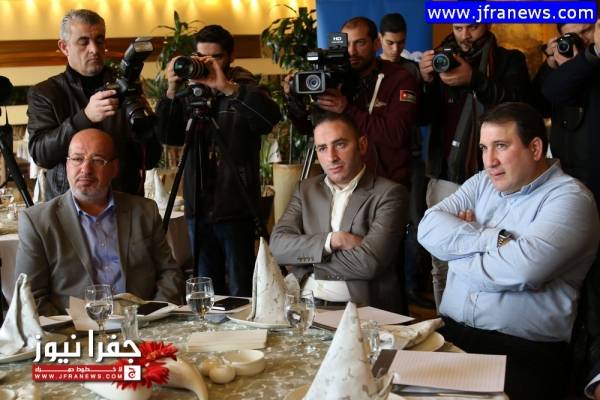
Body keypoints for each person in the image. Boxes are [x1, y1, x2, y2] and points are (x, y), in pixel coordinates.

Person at [417, 102, 600, 400]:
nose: (489, 161)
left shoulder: (570, 199)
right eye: (483, 148)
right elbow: (426, 229)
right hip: (449, 331)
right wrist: (495, 240)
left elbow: (522, 270)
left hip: (522, 352)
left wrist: (454, 251)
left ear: (535, 148)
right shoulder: (481, 183)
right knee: (383, 383)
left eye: (501, 146)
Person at [155, 25, 281, 297]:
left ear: (231, 57)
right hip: (197, 207)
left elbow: (268, 119)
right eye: (201, 57)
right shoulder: (189, 93)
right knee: (206, 289)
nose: (207, 63)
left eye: (216, 57)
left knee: (240, 288)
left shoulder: (245, 88)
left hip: (236, 206)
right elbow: (168, 136)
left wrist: (227, 88)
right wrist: (171, 90)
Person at [418, 23, 531, 307]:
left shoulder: (509, 60)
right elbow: (421, 118)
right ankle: (446, 320)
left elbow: (521, 109)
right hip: (447, 174)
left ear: (488, 23)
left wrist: (475, 80)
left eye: (473, 26)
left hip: (495, 178)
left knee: (495, 252)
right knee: (442, 261)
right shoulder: (439, 60)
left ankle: (482, 320)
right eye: (458, 27)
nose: (465, 35)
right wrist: (425, 81)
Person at [16, 129, 183, 316]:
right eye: (77, 159)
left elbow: (169, 273)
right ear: (67, 164)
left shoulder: (144, 211)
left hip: (142, 323)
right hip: (74, 329)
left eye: (97, 160)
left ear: (114, 168)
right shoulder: (37, 222)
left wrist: (153, 315)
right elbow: (29, 298)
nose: (86, 169)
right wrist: (74, 328)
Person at [270, 113, 408, 313]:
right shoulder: (305, 190)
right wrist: (334, 240)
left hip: (360, 311)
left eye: (340, 145)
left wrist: (304, 260)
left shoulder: (389, 193)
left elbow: (370, 263)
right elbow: (277, 246)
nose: (331, 157)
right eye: (322, 148)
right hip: (304, 308)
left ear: (362, 145)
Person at [27, 9, 161, 200]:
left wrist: (146, 127)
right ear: (64, 47)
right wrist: (85, 117)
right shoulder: (45, 93)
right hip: (68, 207)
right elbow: (42, 155)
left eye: (99, 41)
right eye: (84, 42)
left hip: (124, 203)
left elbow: (150, 160)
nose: (94, 49)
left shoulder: (126, 86)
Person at [286, 16, 419, 188]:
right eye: (346, 44)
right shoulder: (333, 80)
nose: (352, 51)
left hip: (387, 184)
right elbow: (310, 130)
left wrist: (346, 109)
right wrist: (294, 100)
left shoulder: (399, 78)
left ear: (376, 43)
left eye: (360, 43)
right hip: (343, 184)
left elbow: (397, 135)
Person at [540, 18, 600, 397]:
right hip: (568, 190)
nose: (578, 40)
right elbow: (551, 91)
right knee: (571, 285)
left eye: (587, 30)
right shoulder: (573, 64)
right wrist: (579, 57)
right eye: (568, 35)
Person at [378, 12, 433, 309]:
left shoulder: (412, 69)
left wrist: (426, 82)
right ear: (380, 40)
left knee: (416, 222)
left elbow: (424, 114)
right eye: (390, 43)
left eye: (400, 43)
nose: (396, 48)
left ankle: (412, 285)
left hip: (411, 156)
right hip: (380, 159)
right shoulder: (371, 70)